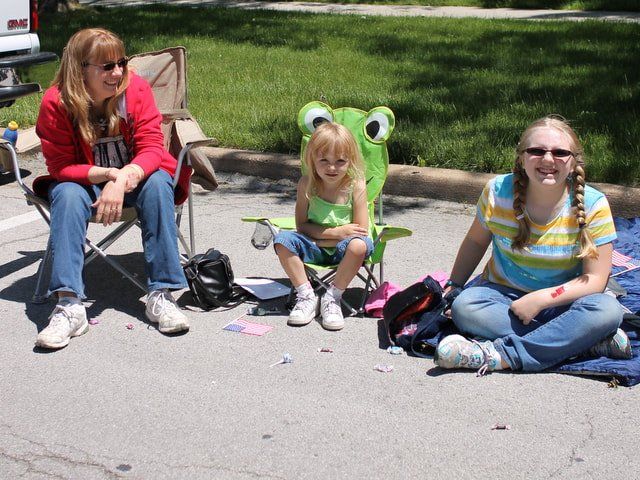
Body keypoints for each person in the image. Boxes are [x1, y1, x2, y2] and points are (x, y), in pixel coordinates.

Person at [33, 28, 192, 349]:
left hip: (137, 179)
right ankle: (69, 304)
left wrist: (121, 179)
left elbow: (152, 148)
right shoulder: (57, 102)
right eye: (107, 66)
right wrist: (106, 174)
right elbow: (61, 166)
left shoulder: (136, 90)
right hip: (86, 183)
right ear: (81, 69)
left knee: (159, 182)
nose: (118, 72)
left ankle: (161, 294)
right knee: (65, 194)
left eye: (121, 62)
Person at [434, 115, 629, 375]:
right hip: (504, 298)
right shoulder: (497, 192)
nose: (548, 159)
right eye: (537, 151)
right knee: (465, 307)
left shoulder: (593, 204)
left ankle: (499, 356)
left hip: (566, 302)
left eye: (560, 153)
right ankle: (580, 341)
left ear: (573, 162)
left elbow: (595, 279)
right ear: (521, 158)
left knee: (607, 310)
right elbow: (475, 241)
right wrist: (455, 284)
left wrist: (542, 298)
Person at [273, 122, 374, 331]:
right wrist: (336, 232)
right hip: (314, 246)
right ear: (312, 159)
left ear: (351, 160)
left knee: (359, 245)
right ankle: (306, 296)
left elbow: (361, 230)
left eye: (340, 161)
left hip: (345, 252)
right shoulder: (306, 184)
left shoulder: (355, 185)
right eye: (324, 160)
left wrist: (323, 237)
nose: (332, 168)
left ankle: (332, 297)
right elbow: (301, 226)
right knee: (282, 241)